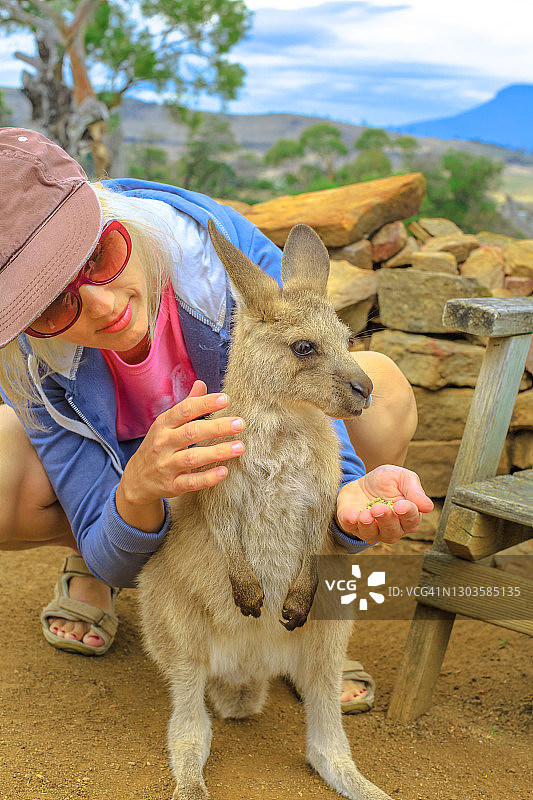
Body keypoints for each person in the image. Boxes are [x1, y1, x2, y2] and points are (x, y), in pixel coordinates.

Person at [0, 127, 433, 714]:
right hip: (148, 480)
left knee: (380, 392)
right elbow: (118, 530)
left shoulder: (210, 252)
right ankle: (90, 562)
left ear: (107, 213)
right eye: (51, 302)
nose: (102, 306)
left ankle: (313, 614)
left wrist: (345, 496)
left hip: (261, 458)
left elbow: (306, 363)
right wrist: (132, 494)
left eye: (97, 257)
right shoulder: (36, 358)